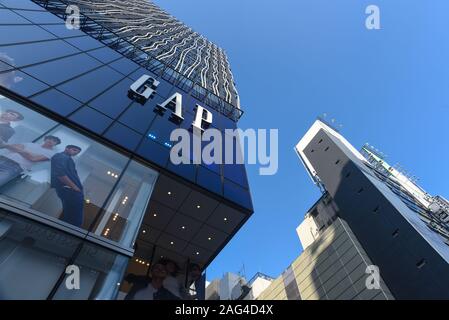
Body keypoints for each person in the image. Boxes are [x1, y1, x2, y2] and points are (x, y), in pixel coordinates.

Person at [50, 145, 84, 227]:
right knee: (74, 220)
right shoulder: (61, 156)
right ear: (66, 148)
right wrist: (75, 188)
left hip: (71, 190)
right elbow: (59, 173)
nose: (75, 152)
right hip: (70, 190)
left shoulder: (68, 159)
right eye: (74, 150)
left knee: (71, 217)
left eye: (77, 152)